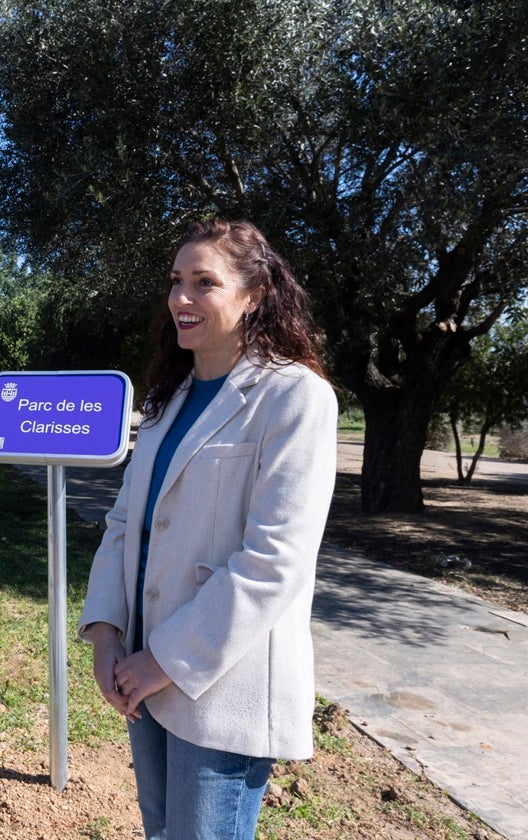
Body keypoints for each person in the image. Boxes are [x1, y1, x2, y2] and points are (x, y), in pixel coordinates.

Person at [78, 219, 338, 838]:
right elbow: (124, 523)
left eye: (204, 282)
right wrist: (106, 629)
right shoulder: (165, 401)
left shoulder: (295, 398)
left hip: (221, 685)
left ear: (254, 295)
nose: (181, 299)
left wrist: (162, 661)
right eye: (175, 282)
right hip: (143, 671)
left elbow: (274, 561)